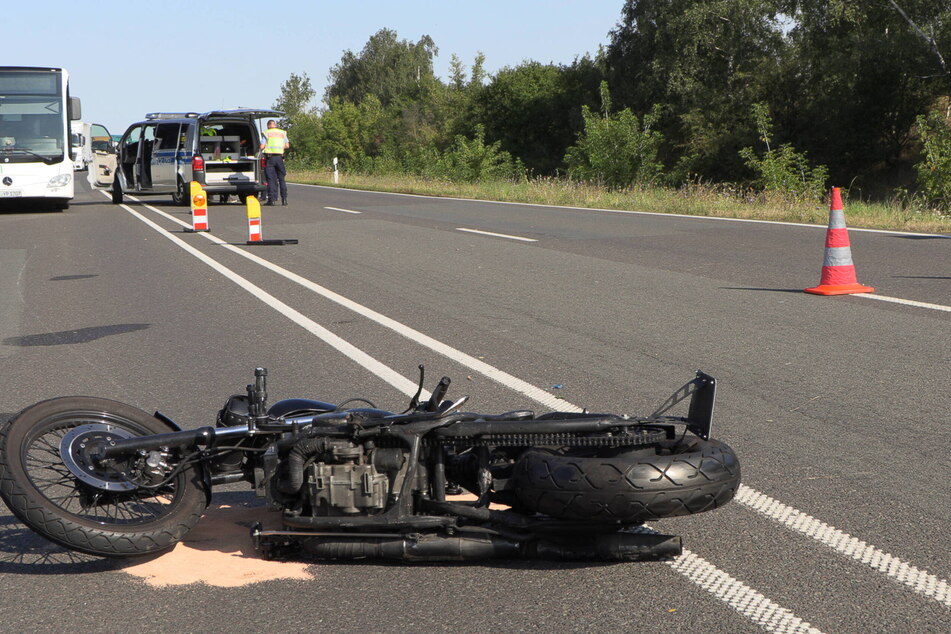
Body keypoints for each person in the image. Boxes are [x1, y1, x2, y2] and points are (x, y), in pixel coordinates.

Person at [259, 119, 289, 205]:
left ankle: (271, 200)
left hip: (270, 158)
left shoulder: (267, 133)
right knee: (282, 179)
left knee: (271, 179)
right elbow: (287, 145)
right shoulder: (282, 133)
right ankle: (284, 199)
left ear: (268, 125)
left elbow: (262, 146)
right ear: (275, 125)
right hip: (280, 158)